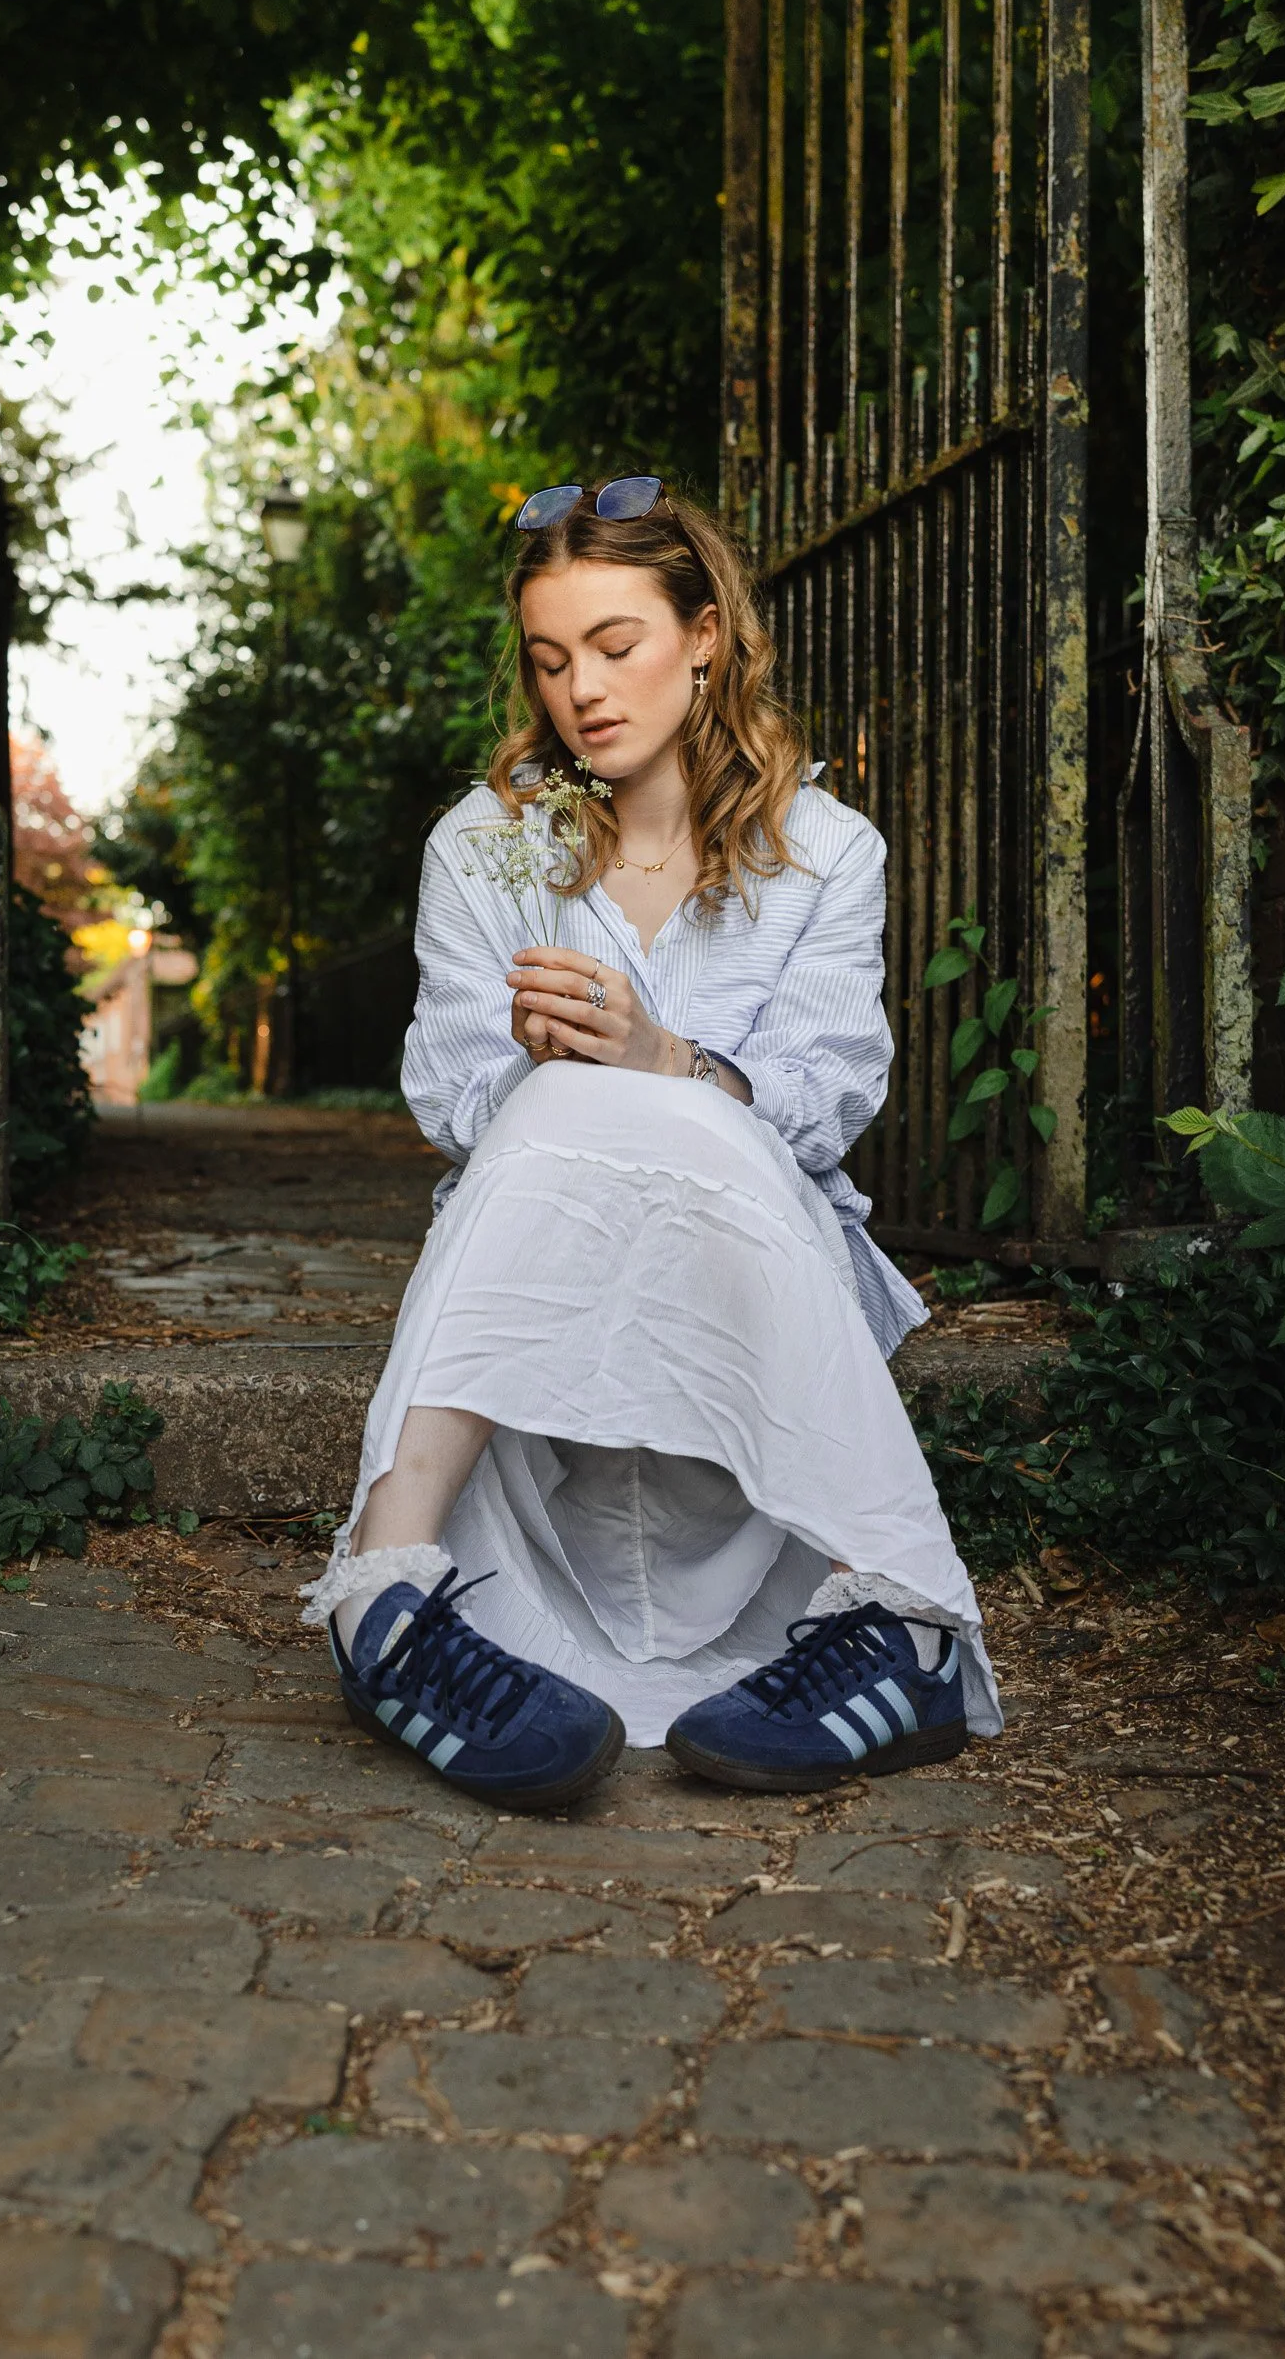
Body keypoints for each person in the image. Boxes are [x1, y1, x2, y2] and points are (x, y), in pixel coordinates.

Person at [301, 476, 1002, 1809]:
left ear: (703, 636)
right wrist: (540, 1058)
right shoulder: (488, 844)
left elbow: (829, 1095)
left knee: (644, 1098)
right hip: (541, 1304)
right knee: (551, 1101)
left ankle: (899, 1619)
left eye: (617, 646)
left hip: (747, 1308)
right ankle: (385, 1600)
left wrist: (660, 1060)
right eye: (552, 659)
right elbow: (451, 1107)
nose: (582, 692)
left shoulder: (823, 850)